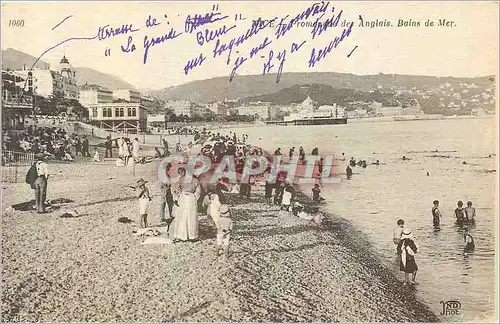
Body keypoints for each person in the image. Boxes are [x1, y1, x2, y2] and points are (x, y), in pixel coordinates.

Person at [169, 167, 201, 242]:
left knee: (191, 217)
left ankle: (191, 236)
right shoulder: (182, 179)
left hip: (190, 198)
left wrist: (194, 198)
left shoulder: (195, 180)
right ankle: (182, 235)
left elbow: (198, 191)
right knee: (183, 216)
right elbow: (177, 188)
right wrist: (178, 197)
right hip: (184, 198)